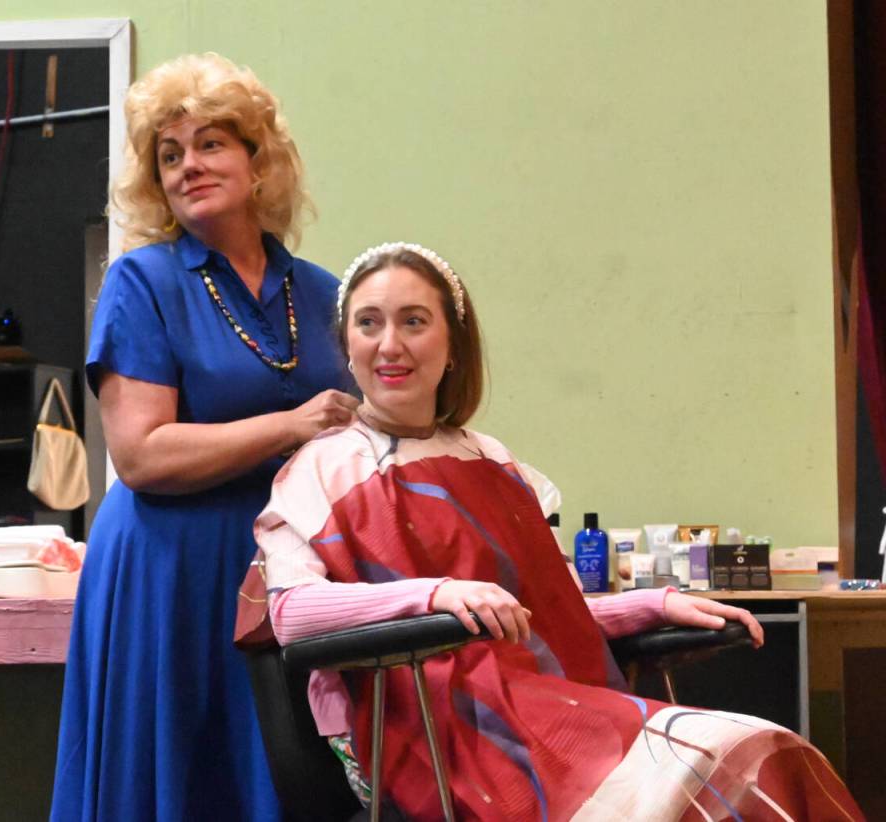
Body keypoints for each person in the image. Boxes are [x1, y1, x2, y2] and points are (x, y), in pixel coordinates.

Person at [246, 242, 864, 820]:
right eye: (369, 323)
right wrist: (437, 595)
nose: (389, 345)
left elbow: (543, 616)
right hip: (427, 734)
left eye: (413, 321)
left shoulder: (491, 463)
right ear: (347, 344)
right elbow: (292, 614)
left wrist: (651, 606)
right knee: (724, 761)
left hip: (545, 703)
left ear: (453, 344)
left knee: (765, 753)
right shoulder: (319, 469)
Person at [50, 53, 357, 821]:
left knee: (288, 785)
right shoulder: (142, 282)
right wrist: (290, 425)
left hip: (290, 576)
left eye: (211, 143)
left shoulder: (325, 294)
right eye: (169, 154)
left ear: (260, 162)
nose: (189, 166)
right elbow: (141, 454)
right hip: (172, 568)